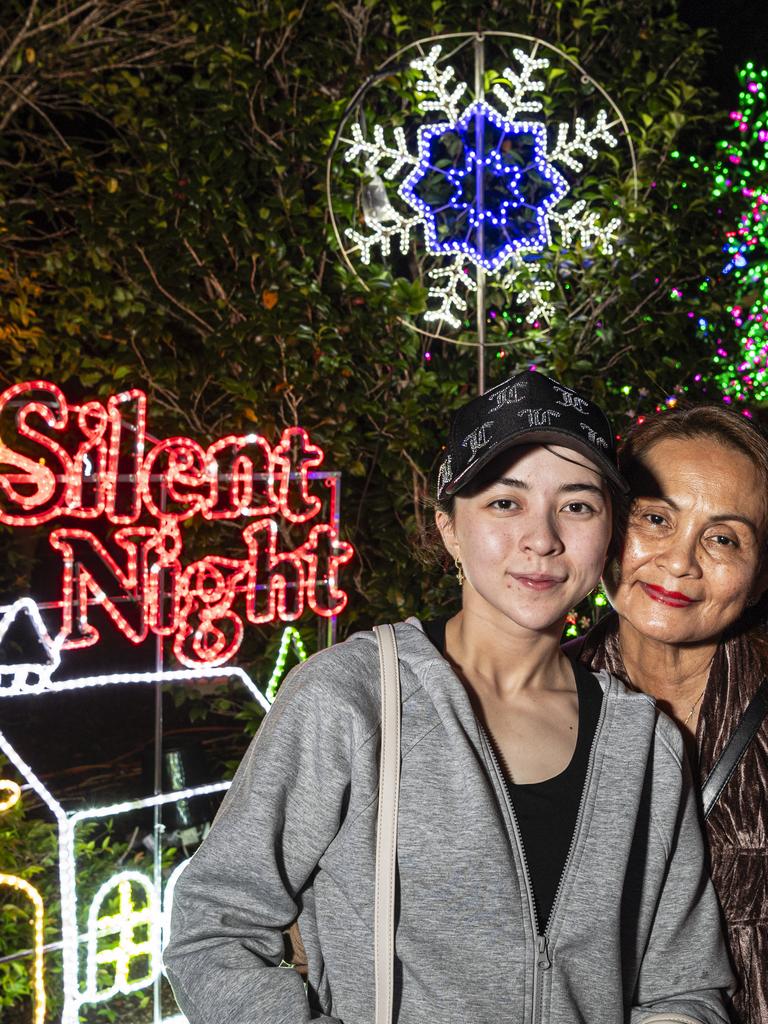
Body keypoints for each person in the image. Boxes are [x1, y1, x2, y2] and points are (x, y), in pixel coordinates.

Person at [164, 371, 732, 1024]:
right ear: (449, 528)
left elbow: (684, 990)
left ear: (609, 533)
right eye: (503, 503)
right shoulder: (353, 701)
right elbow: (214, 926)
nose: (542, 538)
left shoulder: (644, 744)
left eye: (577, 505)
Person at [569, 404, 768, 1024]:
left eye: (723, 537)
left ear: (761, 576)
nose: (681, 562)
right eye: (655, 519)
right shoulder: (530, 703)